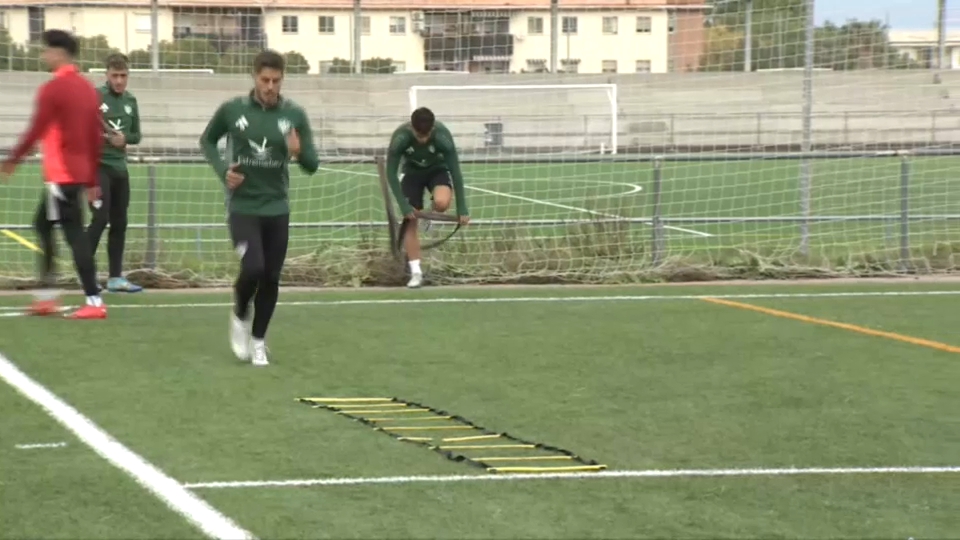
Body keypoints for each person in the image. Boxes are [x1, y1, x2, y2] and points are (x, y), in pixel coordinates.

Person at [198, 49, 319, 366]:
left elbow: (312, 165)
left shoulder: (294, 116)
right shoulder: (233, 110)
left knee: (272, 277)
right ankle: (239, 313)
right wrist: (224, 172)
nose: (270, 86)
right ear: (254, 77)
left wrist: (298, 151)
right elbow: (207, 141)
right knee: (253, 267)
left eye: (276, 81)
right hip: (243, 206)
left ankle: (259, 341)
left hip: (277, 207)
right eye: (264, 79)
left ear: (283, 80)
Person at [0, 29, 106, 320]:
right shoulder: (87, 88)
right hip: (75, 177)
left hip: (61, 177)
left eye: (46, 50)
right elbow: (97, 136)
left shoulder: (53, 89)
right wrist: (93, 179)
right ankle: (47, 297)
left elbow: (36, 129)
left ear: (59, 53)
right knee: (44, 226)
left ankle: (94, 301)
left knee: (74, 236)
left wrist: (11, 161)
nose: (44, 55)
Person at [385, 107, 470, 288]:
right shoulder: (400, 138)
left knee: (442, 202)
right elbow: (391, 173)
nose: (422, 139)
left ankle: (430, 216)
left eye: (426, 135)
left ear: (432, 129)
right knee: (410, 220)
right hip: (412, 174)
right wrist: (403, 206)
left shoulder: (442, 137)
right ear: (412, 128)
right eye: (418, 135)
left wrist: (462, 208)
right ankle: (416, 272)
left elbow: (455, 171)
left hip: (437, 170)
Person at [88, 53, 142, 293]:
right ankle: (85, 273)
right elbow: (84, 130)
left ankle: (115, 278)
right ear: (106, 75)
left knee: (120, 222)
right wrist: (106, 137)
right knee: (100, 219)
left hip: (121, 169)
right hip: (98, 167)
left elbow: (136, 135)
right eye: (115, 76)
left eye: (123, 76)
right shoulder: (95, 97)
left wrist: (125, 139)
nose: (119, 81)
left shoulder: (131, 101)